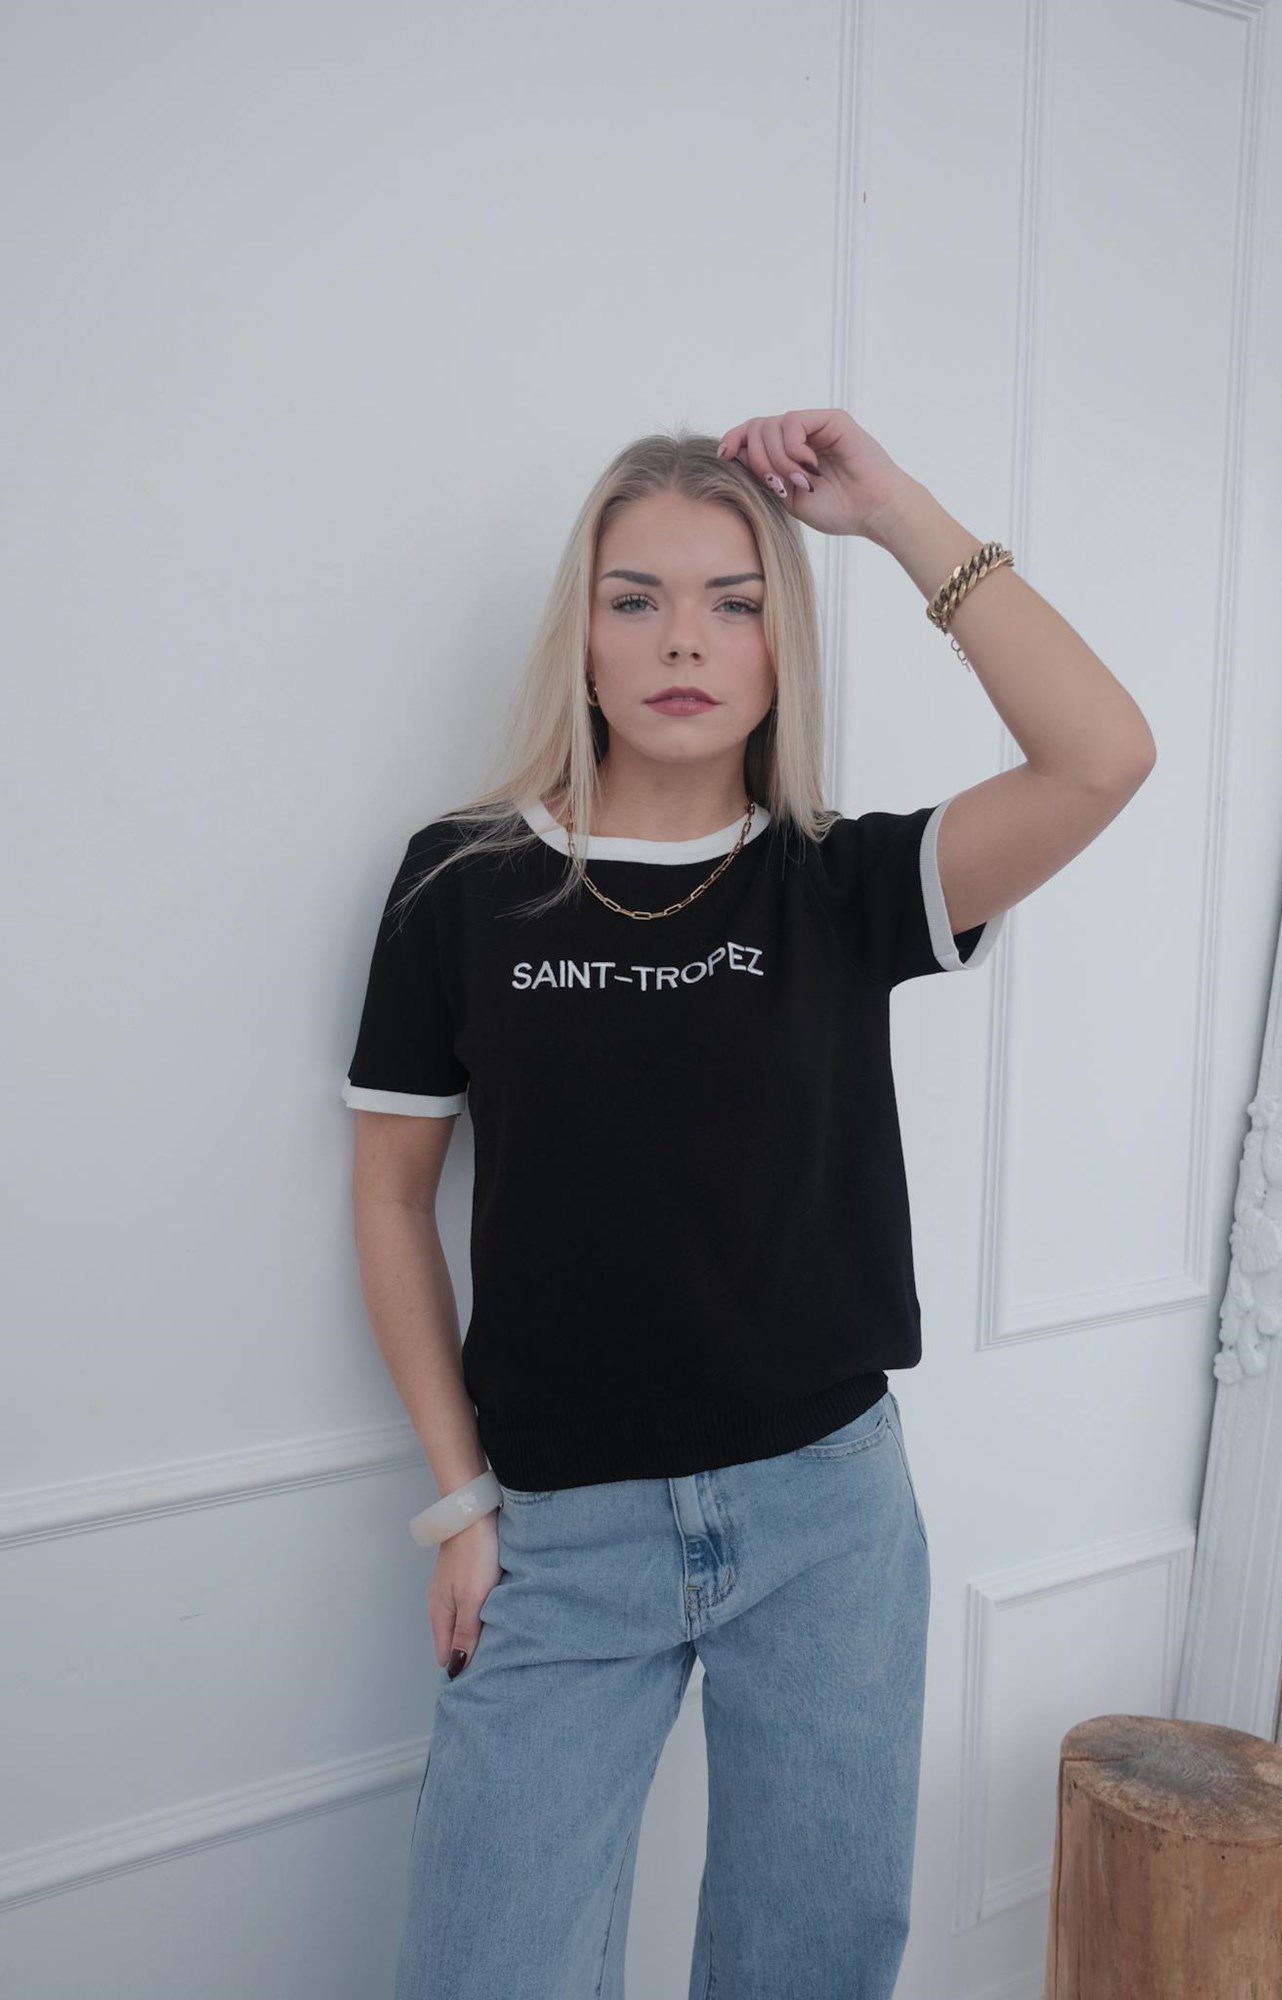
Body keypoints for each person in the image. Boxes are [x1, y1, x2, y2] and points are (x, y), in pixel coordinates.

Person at [341, 410, 1156, 2000]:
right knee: (482, 1966)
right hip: (563, 1532)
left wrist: (892, 508)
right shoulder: (461, 882)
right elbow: (389, 1197)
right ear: (580, 635)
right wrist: (460, 1505)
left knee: (807, 1965)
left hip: (825, 1518)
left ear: (783, 645)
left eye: (733, 602)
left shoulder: (837, 883)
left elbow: (1101, 756)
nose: (682, 642)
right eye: (635, 598)